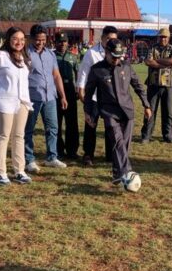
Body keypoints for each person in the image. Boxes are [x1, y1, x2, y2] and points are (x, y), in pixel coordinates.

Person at [84, 39, 151, 185]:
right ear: (106, 52)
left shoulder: (126, 66)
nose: (116, 59)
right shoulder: (97, 69)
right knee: (118, 142)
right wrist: (87, 112)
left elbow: (138, 86)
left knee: (124, 145)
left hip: (127, 111)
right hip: (109, 112)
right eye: (114, 56)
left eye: (119, 56)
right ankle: (127, 172)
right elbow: (88, 93)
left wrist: (146, 105)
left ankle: (117, 173)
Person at [0, 27, 33, 185]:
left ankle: (19, 171)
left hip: (22, 102)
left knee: (19, 136)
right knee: (3, 136)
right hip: (4, 103)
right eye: (15, 39)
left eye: (22, 39)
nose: (19, 42)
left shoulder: (24, 58)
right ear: (8, 39)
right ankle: (1, 172)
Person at [24, 25, 68, 173]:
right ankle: (29, 159)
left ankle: (51, 157)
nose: (41, 43)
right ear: (31, 39)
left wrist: (62, 95)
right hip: (32, 97)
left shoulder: (50, 54)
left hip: (50, 97)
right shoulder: (25, 54)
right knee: (28, 129)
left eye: (43, 40)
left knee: (53, 128)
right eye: (38, 40)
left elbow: (56, 75)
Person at [76, 26, 118, 166]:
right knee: (90, 125)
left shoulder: (118, 53)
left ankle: (111, 155)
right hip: (93, 96)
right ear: (102, 38)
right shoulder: (91, 53)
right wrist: (81, 91)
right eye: (109, 39)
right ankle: (88, 154)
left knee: (111, 127)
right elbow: (83, 73)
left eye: (114, 39)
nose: (111, 42)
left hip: (110, 97)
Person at [141, 28, 172, 144]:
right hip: (153, 83)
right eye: (161, 37)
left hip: (168, 84)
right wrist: (164, 63)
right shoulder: (152, 48)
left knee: (168, 112)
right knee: (150, 110)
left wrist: (156, 61)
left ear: (169, 38)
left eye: (165, 37)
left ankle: (168, 135)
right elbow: (147, 61)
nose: (163, 39)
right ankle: (146, 135)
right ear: (158, 37)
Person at [54, 32, 80, 160]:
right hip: (56, 92)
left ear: (67, 42)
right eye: (60, 41)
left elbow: (78, 73)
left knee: (72, 123)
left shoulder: (73, 57)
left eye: (64, 41)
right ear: (55, 43)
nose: (62, 44)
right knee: (56, 123)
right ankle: (58, 150)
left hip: (70, 91)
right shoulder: (51, 56)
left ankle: (72, 150)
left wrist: (78, 89)